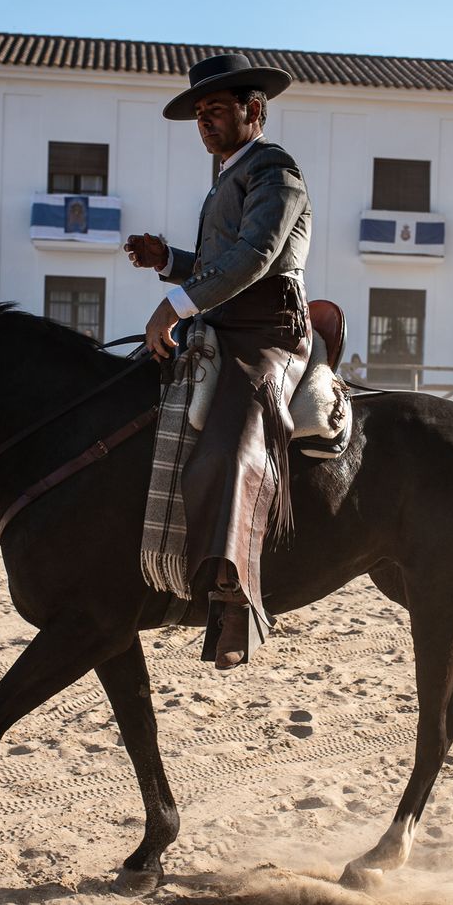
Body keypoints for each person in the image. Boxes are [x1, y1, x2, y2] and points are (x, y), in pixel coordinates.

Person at [125, 53, 311, 671]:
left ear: (253, 109)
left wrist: (172, 304)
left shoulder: (276, 172)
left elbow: (255, 257)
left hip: (267, 333)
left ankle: (235, 601)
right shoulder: (228, 175)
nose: (204, 122)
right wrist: (168, 260)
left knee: (232, 448)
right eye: (199, 114)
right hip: (221, 325)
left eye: (215, 110)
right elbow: (216, 264)